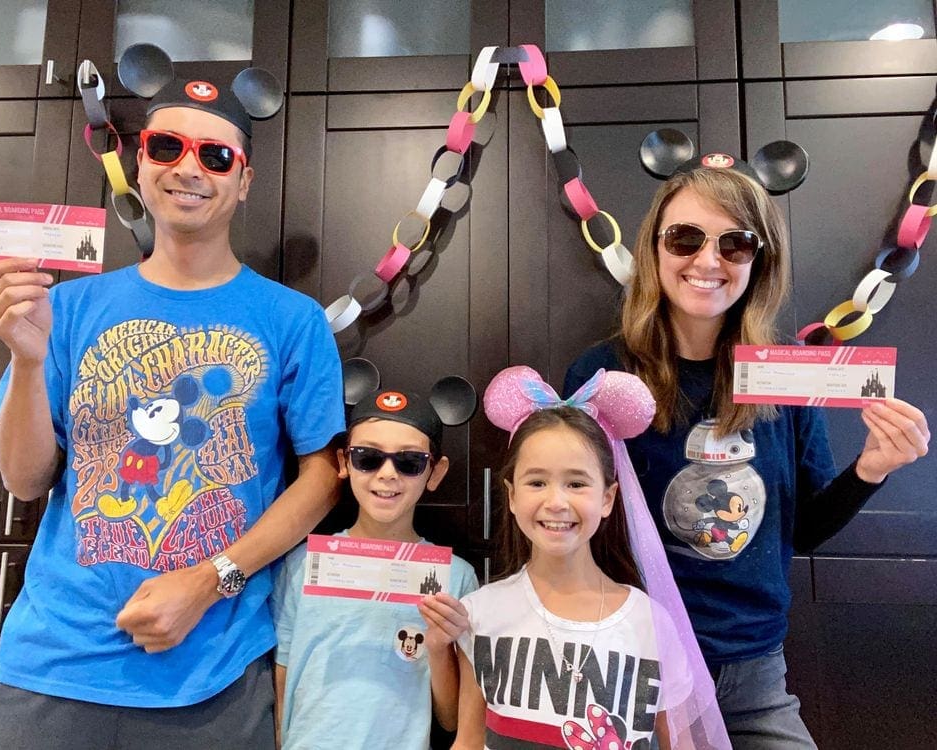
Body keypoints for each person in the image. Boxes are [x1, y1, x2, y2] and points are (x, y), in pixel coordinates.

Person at [0, 73, 345, 749]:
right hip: (48, 668)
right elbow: (24, 481)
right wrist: (27, 359)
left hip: (211, 682)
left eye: (215, 155)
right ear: (140, 160)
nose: (188, 168)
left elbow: (321, 479)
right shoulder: (68, 309)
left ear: (245, 180)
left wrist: (209, 581)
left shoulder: (294, 321)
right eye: (167, 146)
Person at [564, 166, 931, 748]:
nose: (708, 261)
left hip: (756, 670)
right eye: (685, 238)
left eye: (735, 243)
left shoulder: (786, 371)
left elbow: (803, 529)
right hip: (635, 665)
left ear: (759, 260)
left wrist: (871, 470)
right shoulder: (602, 374)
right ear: (654, 247)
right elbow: (572, 522)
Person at [453, 366, 730, 750]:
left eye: (576, 483)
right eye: (536, 482)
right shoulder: (480, 613)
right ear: (512, 495)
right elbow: (467, 741)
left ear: (607, 498)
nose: (556, 502)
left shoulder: (649, 623)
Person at [272, 384, 479, 749]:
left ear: (435, 472)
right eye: (368, 457)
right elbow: (283, 677)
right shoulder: (303, 564)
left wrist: (437, 645)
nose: (387, 474)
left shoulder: (454, 576)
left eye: (409, 462)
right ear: (343, 462)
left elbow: (450, 717)